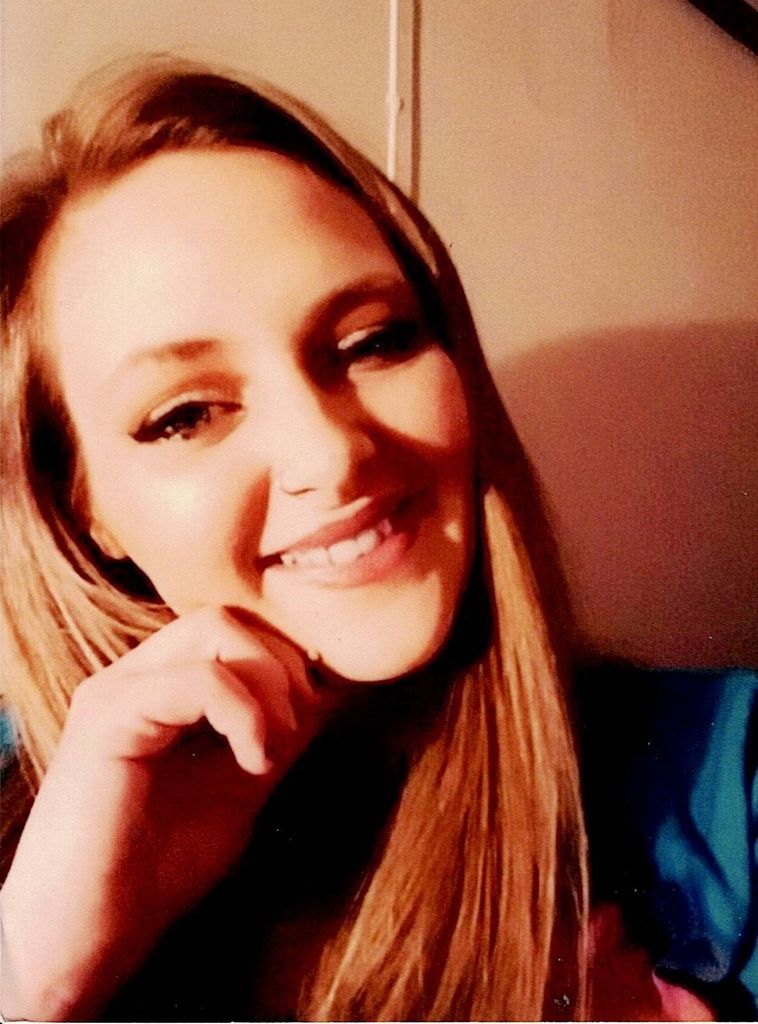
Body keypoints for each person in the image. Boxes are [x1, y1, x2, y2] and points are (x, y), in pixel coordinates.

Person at [0, 56, 754, 1022]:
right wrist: (31, 975)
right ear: (83, 509)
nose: (331, 452)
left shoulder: (721, 778)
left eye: (373, 342)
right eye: (186, 414)